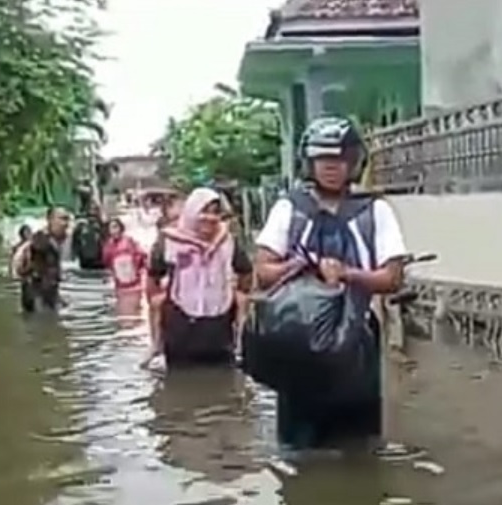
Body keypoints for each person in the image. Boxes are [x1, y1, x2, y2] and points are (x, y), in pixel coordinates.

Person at [252, 115, 408, 449]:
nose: (331, 166)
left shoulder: (375, 210)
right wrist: (297, 265)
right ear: (309, 162)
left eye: (340, 158)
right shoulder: (289, 208)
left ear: (353, 162)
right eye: (323, 158)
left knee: (358, 439)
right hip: (296, 336)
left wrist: (347, 274)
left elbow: (392, 277)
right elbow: (263, 270)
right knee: (298, 443)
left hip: (356, 338)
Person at [143, 188, 252, 370]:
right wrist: (161, 303)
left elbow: (246, 272)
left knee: (226, 383)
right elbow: (153, 276)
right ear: (192, 211)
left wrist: (233, 295)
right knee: (177, 386)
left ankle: (241, 348)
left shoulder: (228, 241)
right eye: (204, 211)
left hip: (219, 325)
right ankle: (157, 351)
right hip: (179, 324)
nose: (209, 217)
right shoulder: (169, 241)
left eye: (215, 212)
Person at [142, 194, 184, 366]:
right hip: (177, 294)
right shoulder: (164, 244)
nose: (180, 223)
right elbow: (152, 282)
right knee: (156, 302)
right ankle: (157, 344)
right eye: (175, 219)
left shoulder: (217, 235)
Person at [12, 206, 72, 313]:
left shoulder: (54, 240)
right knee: (42, 324)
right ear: (50, 220)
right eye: (62, 219)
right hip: (37, 296)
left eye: (67, 219)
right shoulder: (40, 240)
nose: (66, 224)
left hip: (48, 294)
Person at [102, 217, 147, 296]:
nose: (114, 230)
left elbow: (141, 256)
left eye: (116, 227)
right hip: (120, 286)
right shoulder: (108, 246)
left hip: (134, 284)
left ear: (121, 228)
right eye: (111, 228)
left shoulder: (129, 241)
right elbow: (107, 263)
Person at [72, 202, 106, 270]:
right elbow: (75, 243)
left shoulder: (104, 227)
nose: (93, 212)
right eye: (91, 209)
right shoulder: (81, 226)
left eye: (95, 209)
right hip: (84, 261)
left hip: (100, 261)